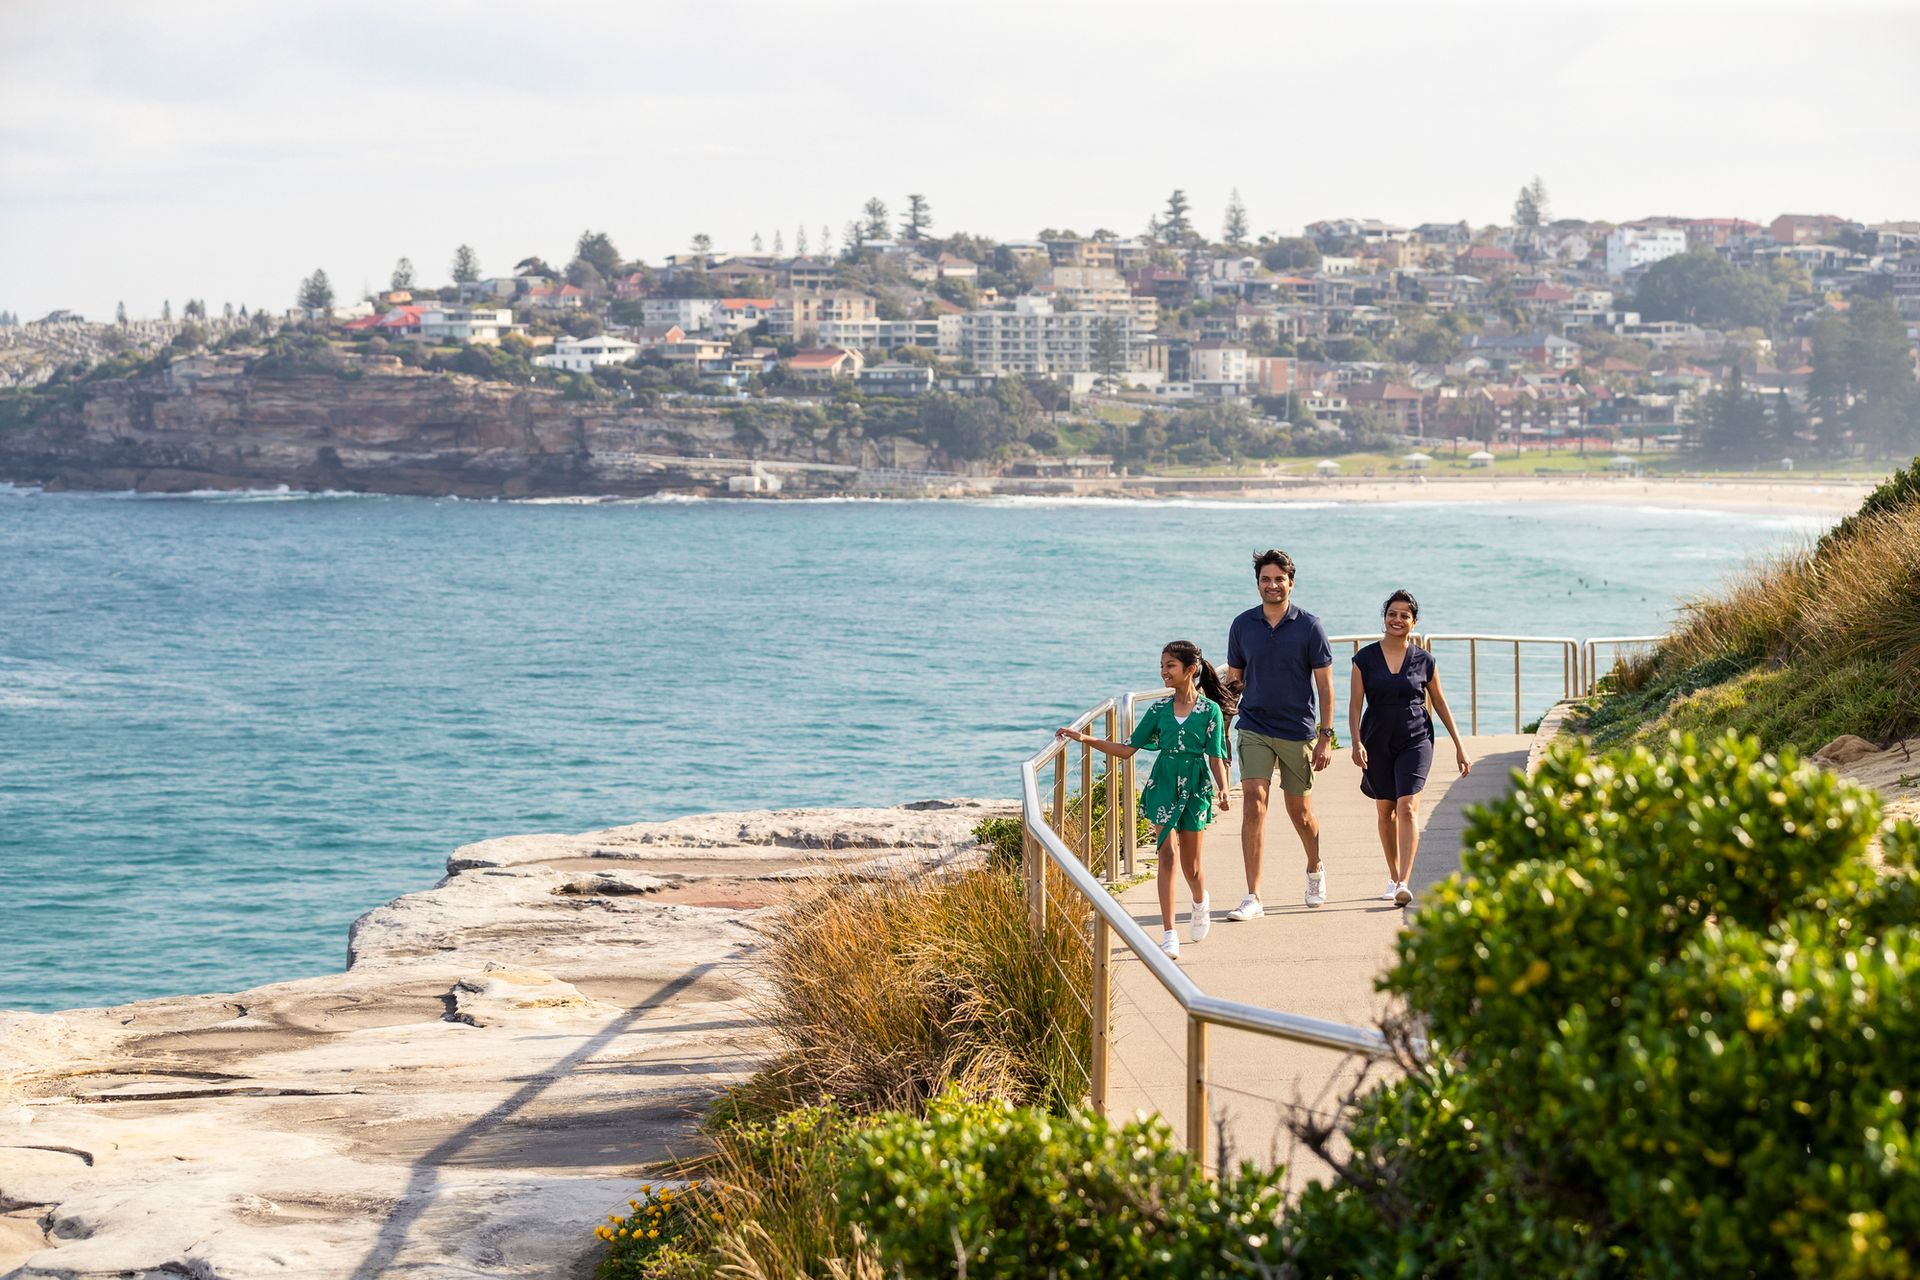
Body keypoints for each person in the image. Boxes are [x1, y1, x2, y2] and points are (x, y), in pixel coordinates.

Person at [1057, 641, 1232, 959]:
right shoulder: (1158, 711)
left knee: (1192, 867)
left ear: (1190, 671)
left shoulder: (1211, 711)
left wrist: (1223, 788)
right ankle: (1169, 933)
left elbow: (1216, 754)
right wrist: (1086, 738)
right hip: (1163, 783)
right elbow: (1127, 749)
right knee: (1166, 855)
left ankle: (1199, 901)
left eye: (1170, 666)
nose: (1163, 672)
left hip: (1195, 787)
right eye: (1162, 665)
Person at [1223, 549, 1335, 918]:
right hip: (1254, 724)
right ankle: (1253, 896)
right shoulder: (1242, 625)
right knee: (1254, 801)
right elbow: (1235, 679)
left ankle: (1315, 868)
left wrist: (1325, 736)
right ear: (1257, 583)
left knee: (1300, 812)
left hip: (1296, 729)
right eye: (1265, 579)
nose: (1272, 585)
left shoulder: (1310, 626)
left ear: (1291, 581)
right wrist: (1218, 692)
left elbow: (1325, 687)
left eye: (1278, 579)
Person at [1347, 589, 1470, 908]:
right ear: (1384, 617)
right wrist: (1356, 741)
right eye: (1392, 613)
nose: (1397, 619)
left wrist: (1459, 745)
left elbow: (1440, 702)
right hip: (1376, 739)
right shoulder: (1364, 659)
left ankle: (1404, 880)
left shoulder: (1425, 660)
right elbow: (1355, 704)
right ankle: (1392, 875)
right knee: (1385, 809)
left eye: (1404, 615)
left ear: (1414, 622)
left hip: (1416, 737)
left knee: (1407, 806)